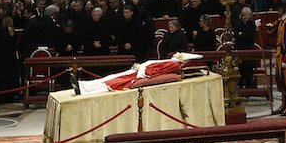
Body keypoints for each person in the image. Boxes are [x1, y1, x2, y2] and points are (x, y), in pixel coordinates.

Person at [74, 52, 203, 95]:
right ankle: (82, 85)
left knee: (113, 82)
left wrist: (141, 69)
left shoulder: (173, 64)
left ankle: (85, 90)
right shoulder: (172, 61)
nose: (176, 53)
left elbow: (155, 70)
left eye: (179, 53)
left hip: (139, 74)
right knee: (110, 78)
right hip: (139, 70)